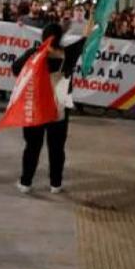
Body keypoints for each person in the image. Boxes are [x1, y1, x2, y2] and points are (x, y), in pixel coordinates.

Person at [11, 22, 88, 194]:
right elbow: (85, 40)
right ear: (61, 38)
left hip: (36, 106)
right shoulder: (69, 54)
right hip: (59, 108)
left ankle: (26, 182)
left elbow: (15, 69)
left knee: (32, 145)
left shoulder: (34, 54)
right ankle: (56, 183)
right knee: (57, 147)